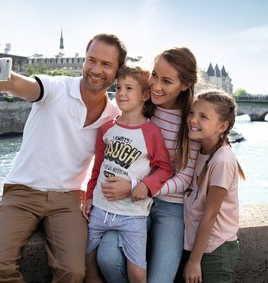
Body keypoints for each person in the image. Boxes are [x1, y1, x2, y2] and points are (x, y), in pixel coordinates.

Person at [0, 33, 127, 283]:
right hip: (22, 192)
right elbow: (17, 83)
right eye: (91, 60)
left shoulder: (115, 115)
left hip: (69, 199)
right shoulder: (55, 88)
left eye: (106, 64)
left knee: (74, 272)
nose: (96, 69)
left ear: (118, 72)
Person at [96, 47, 200, 283]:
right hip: (129, 204)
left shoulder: (190, 121)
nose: (155, 85)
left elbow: (184, 178)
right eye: (154, 75)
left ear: (184, 85)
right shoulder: (144, 109)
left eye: (167, 81)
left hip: (168, 208)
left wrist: (140, 187)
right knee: (107, 259)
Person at [83, 66, 173, 283]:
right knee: (89, 267)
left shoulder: (151, 133)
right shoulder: (106, 129)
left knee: (137, 273)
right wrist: (88, 195)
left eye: (129, 88)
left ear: (144, 95)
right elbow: (97, 167)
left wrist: (145, 185)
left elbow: (164, 168)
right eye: (119, 87)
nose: (121, 93)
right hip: (100, 210)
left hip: (132, 214)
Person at [183, 90, 246, 283]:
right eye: (192, 113)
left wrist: (194, 261)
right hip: (200, 248)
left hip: (213, 252)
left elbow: (210, 214)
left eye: (203, 117)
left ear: (222, 126)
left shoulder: (223, 160)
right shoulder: (200, 150)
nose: (193, 120)